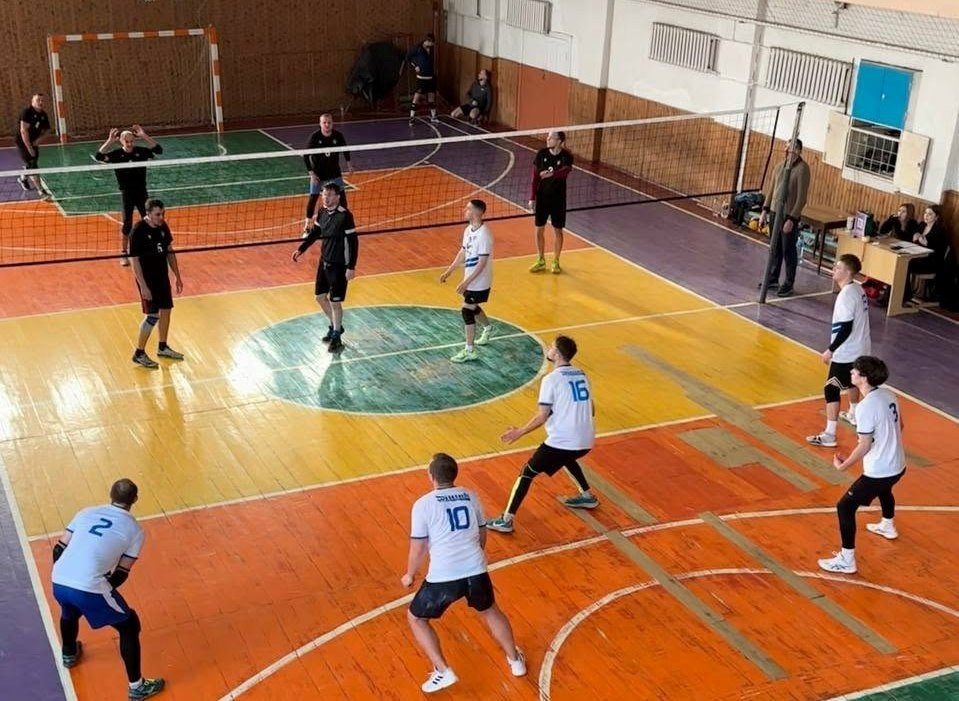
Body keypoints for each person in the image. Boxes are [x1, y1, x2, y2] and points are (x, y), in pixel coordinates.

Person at [401, 452, 526, 693]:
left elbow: (418, 546)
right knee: (490, 611)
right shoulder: (471, 496)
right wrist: (474, 558)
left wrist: (410, 574)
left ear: (431, 476)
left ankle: (442, 671)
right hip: (475, 570)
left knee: (416, 618)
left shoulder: (423, 504)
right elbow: (482, 534)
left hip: (443, 577)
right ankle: (515, 660)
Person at [51, 478, 166, 699]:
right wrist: (101, 587)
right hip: (89, 585)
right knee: (129, 625)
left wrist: (66, 573)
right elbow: (122, 572)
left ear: (110, 495)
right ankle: (137, 687)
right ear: (135, 499)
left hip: (59, 578)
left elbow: (58, 549)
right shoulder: (135, 530)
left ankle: (69, 653)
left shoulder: (85, 513)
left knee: (69, 611)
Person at [487, 336, 598, 533]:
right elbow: (592, 409)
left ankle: (506, 520)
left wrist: (519, 432)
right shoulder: (582, 374)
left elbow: (542, 416)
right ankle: (587, 496)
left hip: (564, 440)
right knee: (566, 457)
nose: (548, 348)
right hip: (587, 440)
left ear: (557, 354)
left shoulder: (551, 380)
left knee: (527, 472)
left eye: (552, 347)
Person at [817, 356, 906, 575]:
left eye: (855, 371)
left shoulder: (866, 407)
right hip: (898, 464)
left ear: (864, 377)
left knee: (845, 507)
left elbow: (864, 445)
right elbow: (900, 426)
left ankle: (846, 559)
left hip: (880, 469)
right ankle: (887, 525)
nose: (851, 373)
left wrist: (844, 466)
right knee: (885, 489)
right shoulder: (889, 394)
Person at [806, 253, 871, 446]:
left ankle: (830, 434)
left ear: (848, 272)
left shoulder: (845, 296)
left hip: (848, 351)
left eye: (838, 267)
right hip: (862, 347)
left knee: (831, 388)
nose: (834, 269)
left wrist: (831, 350)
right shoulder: (858, 289)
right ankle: (854, 413)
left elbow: (845, 328)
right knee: (853, 381)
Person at [291, 182, 358, 353]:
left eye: (329, 195)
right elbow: (315, 233)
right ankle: (336, 327)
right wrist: (301, 248)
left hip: (339, 265)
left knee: (335, 303)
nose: (326, 198)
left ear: (337, 197)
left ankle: (336, 336)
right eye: (324, 195)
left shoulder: (345, 216)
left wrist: (351, 267)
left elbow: (353, 242)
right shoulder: (321, 212)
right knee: (320, 297)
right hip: (324, 262)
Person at [95, 126, 163, 266]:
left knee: (149, 220)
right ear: (121, 141)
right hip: (127, 193)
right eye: (127, 141)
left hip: (142, 192)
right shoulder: (116, 155)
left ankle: (151, 248)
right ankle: (123, 253)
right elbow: (99, 156)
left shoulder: (141, 152)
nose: (130, 144)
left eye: (132, 141)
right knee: (127, 223)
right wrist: (109, 141)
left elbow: (158, 150)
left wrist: (144, 136)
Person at [129, 199, 184, 369]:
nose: (161, 217)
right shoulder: (138, 230)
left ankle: (162, 346)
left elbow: (169, 252)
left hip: (162, 277)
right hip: (148, 280)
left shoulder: (162, 226)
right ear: (148, 214)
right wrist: (143, 286)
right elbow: (134, 261)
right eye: (158, 214)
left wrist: (177, 276)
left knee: (166, 310)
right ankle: (139, 353)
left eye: (163, 214)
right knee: (152, 316)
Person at [439, 199, 493, 363]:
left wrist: (466, 283)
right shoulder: (468, 230)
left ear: (477, 212)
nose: (465, 210)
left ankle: (470, 350)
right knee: (472, 306)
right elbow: (463, 252)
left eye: (468, 208)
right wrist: (449, 271)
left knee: (466, 310)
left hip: (480, 281)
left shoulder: (484, 235)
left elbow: (482, 263)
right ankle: (488, 328)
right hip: (471, 279)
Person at [758, 139, 810, 297]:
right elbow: (771, 189)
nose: (787, 150)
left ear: (798, 150)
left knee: (788, 249)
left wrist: (792, 219)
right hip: (775, 212)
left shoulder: (802, 169)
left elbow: (801, 198)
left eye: (791, 148)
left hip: (788, 215)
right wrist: (765, 210)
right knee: (775, 248)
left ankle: (789, 283)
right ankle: (773, 278)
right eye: (786, 147)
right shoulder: (780, 166)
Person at [528, 131, 574, 275]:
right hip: (542, 197)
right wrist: (532, 198)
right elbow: (535, 177)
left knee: (558, 230)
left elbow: (565, 171)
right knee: (539, 229)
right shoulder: (541, 154)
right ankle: (541, 259)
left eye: (551, 138)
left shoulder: (567, 156)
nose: (547, 140)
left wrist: (552, 174)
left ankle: (556, 261)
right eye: (547, 137)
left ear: (559, 141)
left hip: (558, 199)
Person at [302, 113, 354, 235]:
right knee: (313, 199)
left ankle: (343, 224)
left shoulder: (338, 136)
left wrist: (349, 164)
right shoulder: (315, 137)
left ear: (332, 123)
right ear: (320, 124)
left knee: (342, 199)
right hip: (318, 174)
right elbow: (305, 155)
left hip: (334, 173)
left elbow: (345, 149)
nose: (327, 125)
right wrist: (311, 174)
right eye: (324, 122)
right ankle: (307, 227)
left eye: (329, 122)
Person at [904, 204, 949, 304]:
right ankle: (902, 293)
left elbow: (938, 252)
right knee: (902, 262)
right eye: (925, 213)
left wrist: (927, 244)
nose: (926, 216)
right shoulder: (921, 225)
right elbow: (914, 239)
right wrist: (915, 238)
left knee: (906, 263)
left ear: (936, 217)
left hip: (931, 263)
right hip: (918, 257)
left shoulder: (939, 231)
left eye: (930, 214)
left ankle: (905, 294)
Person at [15, 93, 52, 199]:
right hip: (23, 141)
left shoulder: (43, 114)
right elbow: (23, 131)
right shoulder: (27, 112)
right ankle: (41, 191)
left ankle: (23, 177)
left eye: (42, 100)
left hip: (34, 141)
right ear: (32, 102)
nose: (40, 102)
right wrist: (29, 147)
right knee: (33, 164)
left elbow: (47, 130)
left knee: (32, 162)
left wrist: (38, 140)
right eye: (38, 100)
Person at [403, 33, 438, 125]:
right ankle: (412, 117)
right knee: (417, 97)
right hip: (421, 78)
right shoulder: (417, 49)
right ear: (427, 41)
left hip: (430, 77)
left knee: (431, 97)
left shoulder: (431, 50)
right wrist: (415, 66)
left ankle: (433, 116)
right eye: (431, 43)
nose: (432, 45)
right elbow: (407, 57)